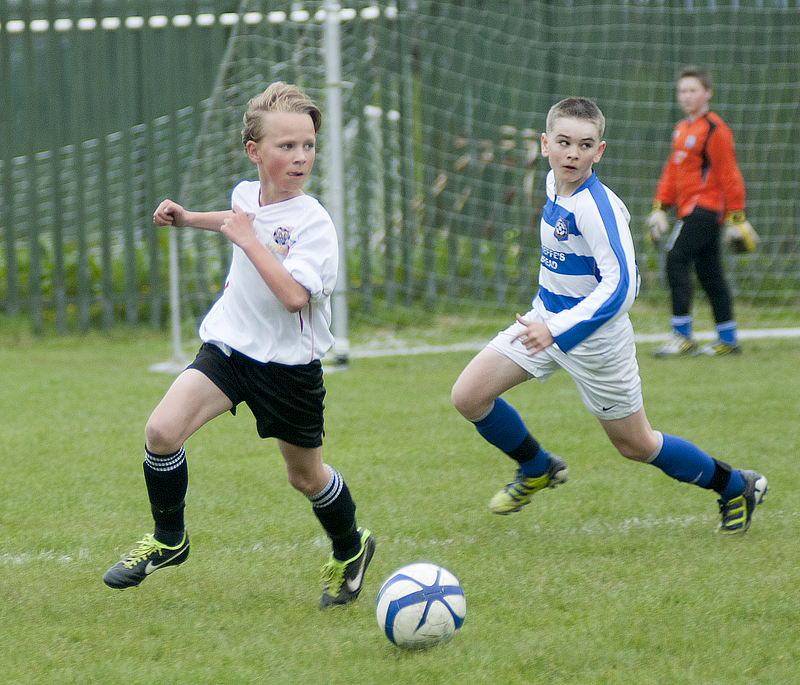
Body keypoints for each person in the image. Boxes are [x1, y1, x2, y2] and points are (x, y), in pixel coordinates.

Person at [103, 82, 375, 609]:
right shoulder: (245, 195)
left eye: (308, 146)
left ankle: (350, 546)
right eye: (287, 146)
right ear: (255, 151)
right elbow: (238, 222)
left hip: (289, 369)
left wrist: (250, 242)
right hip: (229, 348)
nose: (301, 158)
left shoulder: (313, 224)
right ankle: (169, 539)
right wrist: (188, 219)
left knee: (305, 476)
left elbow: (294, 296)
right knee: (161, 430)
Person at [450, 97, 766, 535]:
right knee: (468, 395)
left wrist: (557, 329)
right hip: (544, 323)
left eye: (584, 145)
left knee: (636, 445)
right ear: (546, 145)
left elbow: (621, 287)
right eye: (563, 142)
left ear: (599, 151)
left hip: (595, 344)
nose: (572, 153)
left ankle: (735, 485)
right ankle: (537, 468)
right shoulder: (552, 183)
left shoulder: (597, 207)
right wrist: (549, 322)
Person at [647, 66, 758, 357]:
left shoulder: (714, 129)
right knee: (710, 273)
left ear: (707, 93)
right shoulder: (681, 129)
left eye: (693, 90)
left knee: (675, 258)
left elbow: (729, 173)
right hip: (687, 209)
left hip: (705, 209)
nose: (686, 96)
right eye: (682, 90)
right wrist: (660, 207)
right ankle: (727, 338)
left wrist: (737, 216)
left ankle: (681, 335)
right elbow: (672, 171)